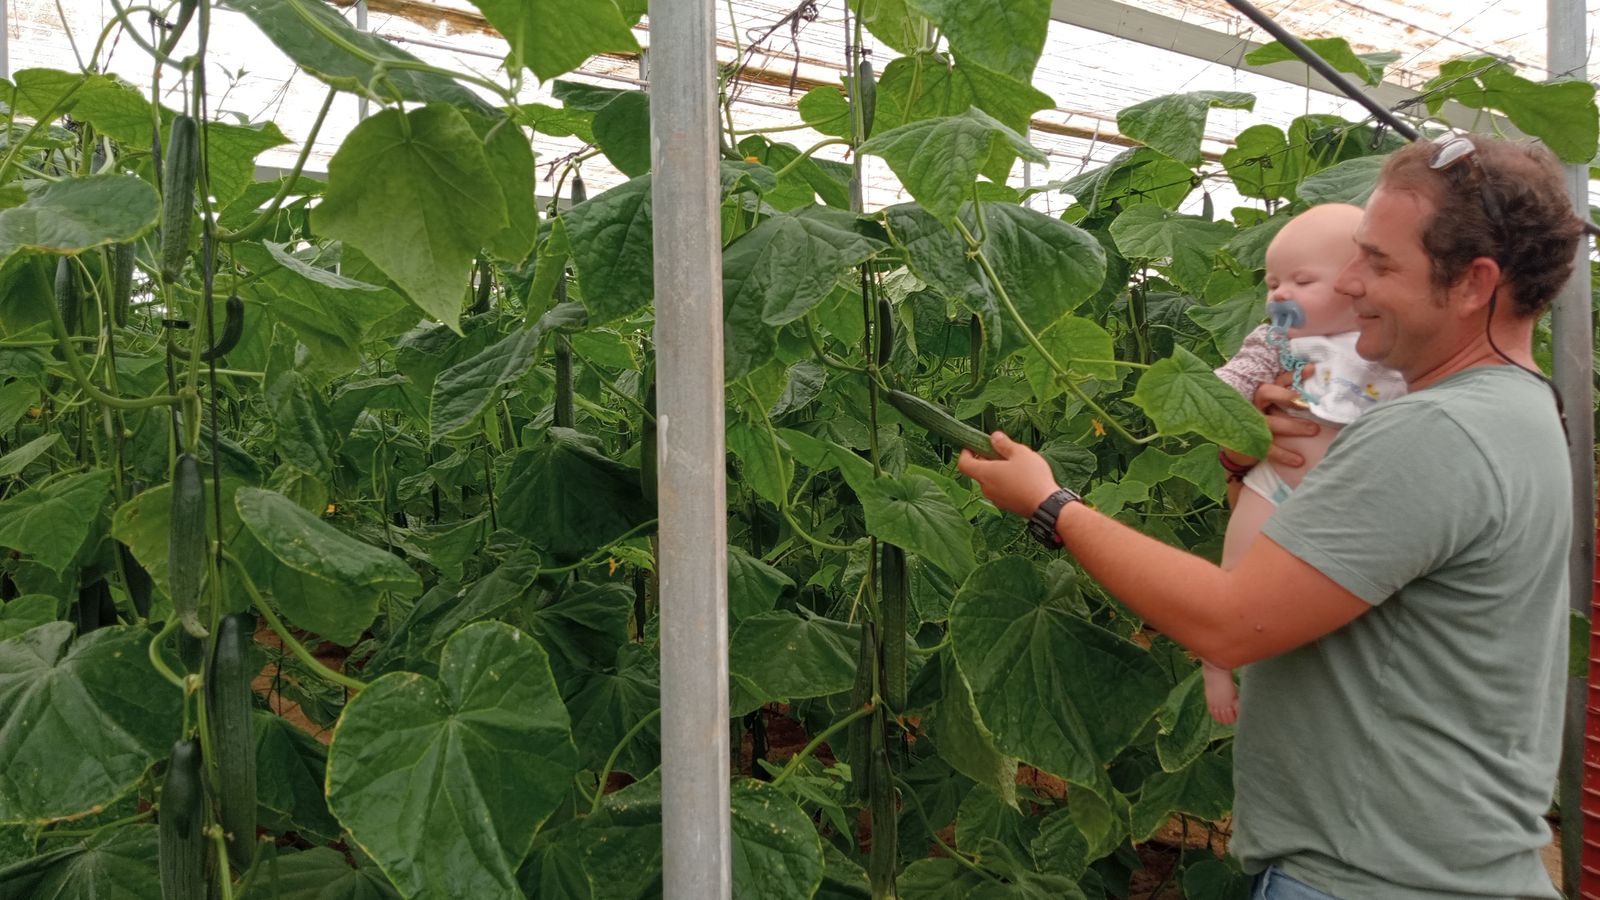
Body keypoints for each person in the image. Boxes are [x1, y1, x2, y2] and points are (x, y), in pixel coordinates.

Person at [958, 133, 1580, 898]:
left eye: (1379, 262)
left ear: (1473, 284)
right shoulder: (1514, 409)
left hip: (1375, 877)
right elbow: (1311, 563)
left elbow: (1232, 620)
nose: (1349, 283)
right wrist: (1252, 457)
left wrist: (1051, 505)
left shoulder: (1434, 433)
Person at [1203, 202, 1407, 725]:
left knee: (1324, 600)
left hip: (1348, 504)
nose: (1280, 295)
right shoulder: (1276, 339)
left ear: (1355, 282)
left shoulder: (1386, 343)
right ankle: (1216, 659)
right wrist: (1224, 405)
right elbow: (1233, 380)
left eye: (1301, 280)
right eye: (1273, 283)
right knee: (1235, 577)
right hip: (1272, 485)